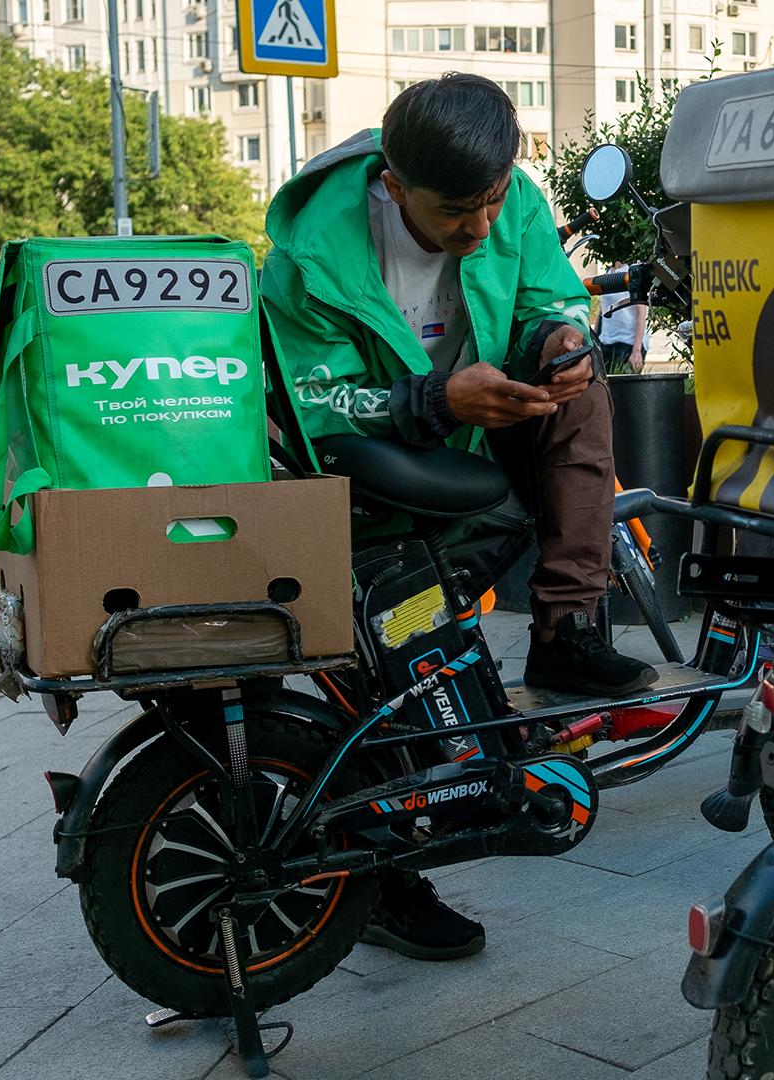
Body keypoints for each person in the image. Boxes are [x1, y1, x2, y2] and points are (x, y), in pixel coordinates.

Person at [260, 74, 657, 964]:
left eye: (491, 203)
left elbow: (552, 297)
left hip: (481, 433)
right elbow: (321, 406)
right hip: (372, 461)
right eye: (456, 214)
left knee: (584, 398)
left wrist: (560, 344)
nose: (480, 227)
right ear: (393, 187)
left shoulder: (503, 197)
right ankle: (385, 880)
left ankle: (565, 628)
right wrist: (439, 398)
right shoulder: (307, 263)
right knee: (406, 647)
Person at [596, 271, 649, 375]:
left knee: (626, 387)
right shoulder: (608, 274)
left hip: (628, 342)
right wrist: (594, 339)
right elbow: (602, 310)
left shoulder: (631, 273)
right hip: (606, 342)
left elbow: (641, 314)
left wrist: (636, 350)